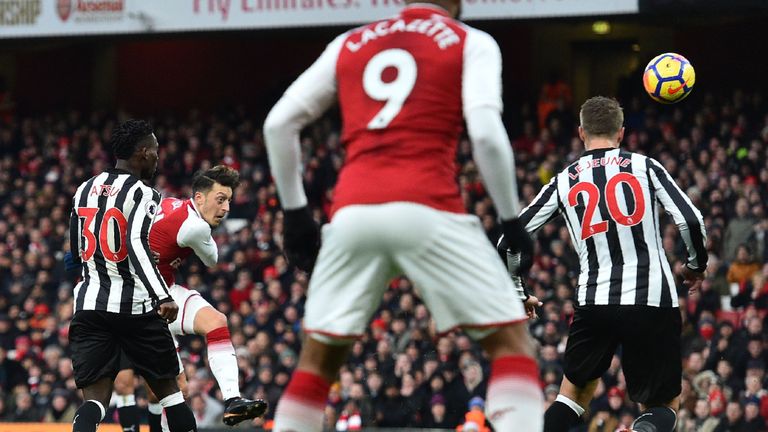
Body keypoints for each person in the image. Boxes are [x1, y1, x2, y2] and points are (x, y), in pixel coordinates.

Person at [263, 1, 542, 431]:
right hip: (429, 206)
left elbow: (278, 125)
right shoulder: (471, 42)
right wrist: (510, 218)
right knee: (510, 344)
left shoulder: (349, 43)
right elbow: (485, 134)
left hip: (353, 212)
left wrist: (297, 214)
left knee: (317, 362)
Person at [499, 96, 708, 432]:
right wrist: (695, 265)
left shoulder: (563, 180)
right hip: (651, 298)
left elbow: (510, 238)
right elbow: (691, 221)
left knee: (572, 397)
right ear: (621, 133)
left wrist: (518, 291)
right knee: (662, 404)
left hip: (594, 300)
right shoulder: (645, 167)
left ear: (581, 133)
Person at [111, 165, 267, 431]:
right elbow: (212, 259)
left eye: (228, 200)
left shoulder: (171, 203)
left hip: (162, 293)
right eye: (221, 200)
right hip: (144, 304)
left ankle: (232, 399)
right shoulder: (195, 227)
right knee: (172, 390)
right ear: (199, 198)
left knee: (216, 321)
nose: (226, 208)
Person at [66, 119, 197, 432]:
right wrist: (162, 295)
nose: (157, 157)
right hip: (135, 309)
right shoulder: (143, 193)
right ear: (141, 153)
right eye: (154, 151)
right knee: (171, 394)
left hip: (91, 306)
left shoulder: (84, 189)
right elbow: (136, 243)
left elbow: (75, 250)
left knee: (94, 403)